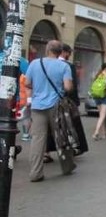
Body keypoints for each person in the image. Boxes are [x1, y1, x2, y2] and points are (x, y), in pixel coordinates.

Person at [24, 39, 73, 182]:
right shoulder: (64, 66)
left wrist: (39, 89)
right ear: (60, 52)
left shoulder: (34, 63)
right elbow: (68, 87)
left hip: (37, 106)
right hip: (56, 106)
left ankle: (35, 173)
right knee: (61, 136)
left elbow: (27, 83)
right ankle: (67, 166)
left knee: (38, 140)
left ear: (47, 50)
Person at [58, 43, 88, 156]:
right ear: (64, 52)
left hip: (49, 100)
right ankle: (75, 146)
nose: (69, 55)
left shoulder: (44, 63)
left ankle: (46, 152)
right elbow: (72, 86)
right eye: (69, 53)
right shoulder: (68, 66)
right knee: (71, 125)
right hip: (66, 99)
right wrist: (76, 101)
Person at [90, 62, 106, 140]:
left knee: (101, 116)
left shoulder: (98, 75)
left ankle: (104, 133)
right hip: (105, 97)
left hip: (96, 96)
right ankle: (96, 133)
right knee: (102, 116)